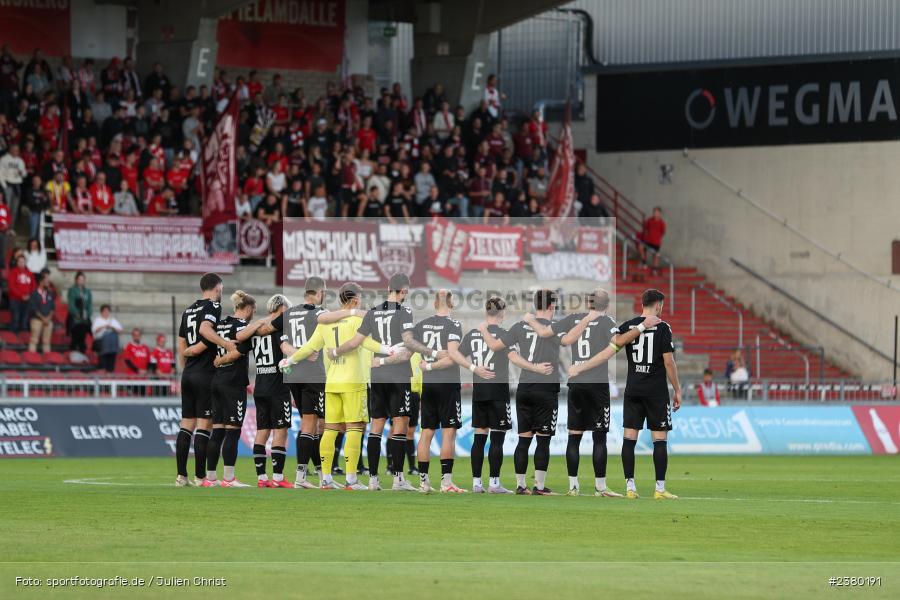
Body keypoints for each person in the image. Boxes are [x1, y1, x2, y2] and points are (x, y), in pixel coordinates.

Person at [279, 282, 394, 490]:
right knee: (355, 428)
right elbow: (365, 343)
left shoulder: (326, 322)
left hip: (331, 382)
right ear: (356, 299)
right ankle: (351, 479)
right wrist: (388, 349)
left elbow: (309, 348)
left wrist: (290, 360)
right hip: (354, 382)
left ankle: (326, 478)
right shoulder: (357, 319)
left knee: (330, 429)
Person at [327, 273, 418, 492]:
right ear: (404, 290)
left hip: (376, 377)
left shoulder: (373, 312)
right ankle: (398, 479)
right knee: (400, 423)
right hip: (398, 375)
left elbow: (355, 342)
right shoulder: (404, 312)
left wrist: (335, 351)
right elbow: (408, 346)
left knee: (376, 425)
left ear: (388, 288)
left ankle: (373, 479)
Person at [479, 290, 562, 495]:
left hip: (524, 388)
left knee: (523, 439)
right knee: (543, 439)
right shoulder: (555, 328)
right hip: (546, 388)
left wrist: (483, 330)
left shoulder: (518, 326)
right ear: (551, 306)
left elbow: (495, 346)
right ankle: (539, 487)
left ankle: (520, 485)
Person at [407, 290, 481, 493]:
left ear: (434, 303)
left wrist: (426, 364)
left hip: (428, 385)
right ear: (451, 303)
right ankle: (446, 483)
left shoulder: (421, 325)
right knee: (449, 432)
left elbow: (409, 345)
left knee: (426, 432)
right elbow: (453, 355)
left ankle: (423, 482)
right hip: (447, 384)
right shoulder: (453, 324)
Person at [614, 288, 681, 500]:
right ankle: (659, 489)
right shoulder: (663, 327)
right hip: (656, 392)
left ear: (642, 304)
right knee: (659, 439)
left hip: (633, 389)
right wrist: (677, 389)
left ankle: (630, 488)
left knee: (629, 438)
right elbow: (669, 362)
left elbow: (616, 342)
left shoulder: (629, 326)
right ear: (658, 305)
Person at [174, 273, 236, 487]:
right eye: (222, 289)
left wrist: (186, 361)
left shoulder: (188, 310)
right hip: (205, 374)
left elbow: (181, 342)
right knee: (204, 427)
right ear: (217, 288)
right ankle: (201, 477)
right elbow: (204, 330)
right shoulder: (213, 306)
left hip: (188, 374)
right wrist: (225, 344)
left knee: (185, 425)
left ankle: (181, 476)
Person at [202, 290, 260, 488]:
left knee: (217, 431)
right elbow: (238, 349)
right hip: (233, 382)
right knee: (233, 432)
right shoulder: (243, 326)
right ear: (249, 309)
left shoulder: (221, 324)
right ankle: (229, 478)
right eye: (254, 311)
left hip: (217, 381)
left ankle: (210, 478)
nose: (253, 315)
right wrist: (257, 325)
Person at [460, 298, 514, 493]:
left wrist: (473, 368)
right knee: (497, 439)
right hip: (498, 391)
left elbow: (457, 354)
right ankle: (494, 484)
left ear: (486, 311)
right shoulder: (506, 334)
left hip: (480, 391)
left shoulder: (473, 334)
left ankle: (476, 483)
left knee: (479, 437)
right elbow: (513, 357)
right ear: (502, 313)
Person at [248, 294, 294, 488]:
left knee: (262, 431)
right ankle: (278, 477)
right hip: (277, 387)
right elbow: (286, 352)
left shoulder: (257, 329)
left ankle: (261, 478)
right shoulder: (278, 328)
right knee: (280, 431)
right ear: (281, 308)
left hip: (260, 386)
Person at [27, 271, 55, 354]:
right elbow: (33, 309)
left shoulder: (50, 294)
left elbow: (52, 308)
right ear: (41, 282)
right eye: (46, 281)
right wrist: (43, 318)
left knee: (47, 341)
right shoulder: (34, 294)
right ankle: (31, 357)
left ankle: (48, 358)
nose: (48, 283)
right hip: (36, 320)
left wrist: (48, 318)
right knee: (34, 340)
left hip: (48, 320)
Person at [66, 271, 93, 353]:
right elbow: (71, 304)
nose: (81, 281)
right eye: (79, 279)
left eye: (82, 279)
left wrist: (88, 314)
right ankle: (75, 349)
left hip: (85, 318)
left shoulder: (87, 291)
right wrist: (77, 314)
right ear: (76, 280)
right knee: (76, 334)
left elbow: (90, 304)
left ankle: (82, 350)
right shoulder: (72, 290)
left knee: (85, 333)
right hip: (76, 318)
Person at [91, 304, 122, 372]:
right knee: (103, 364)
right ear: (101, 312)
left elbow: (120, 330)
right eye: (105, 311)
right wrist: (104, 326)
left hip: (112, 344)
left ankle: (110, 371)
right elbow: (94, 331)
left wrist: (112, 327)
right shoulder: (97, 320)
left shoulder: (113, 320)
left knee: (111, 365)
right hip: (102, 343)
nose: (106, 312)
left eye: (108, 311)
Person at [8, 255, 35, 333]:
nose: (21, 263)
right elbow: (11, 286)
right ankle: (14, 336)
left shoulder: (30, 273)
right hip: (15, 299)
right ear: (17, 262)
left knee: (25, 319)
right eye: (19, 261)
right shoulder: (13, 272)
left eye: (23, 261)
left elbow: (33, 286)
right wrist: (21, 296)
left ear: (25, 262)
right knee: (15, 318)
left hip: (27, 299)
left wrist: (29, 295)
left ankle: (24, 335)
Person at [637, 207, 666, 274]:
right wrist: (646, 236)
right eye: (655, 212)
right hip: (648, 240)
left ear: (660, 213)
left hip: (656, 242)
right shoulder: (649, 220)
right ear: (653, 213)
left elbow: (663, 232)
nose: (656, 214)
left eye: (657, 212)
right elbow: (646, 228)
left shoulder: (662, 222)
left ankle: (655, 269)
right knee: (641, 247)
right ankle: (644, 262)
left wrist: (657, 237)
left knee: (655, 255)